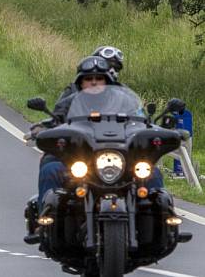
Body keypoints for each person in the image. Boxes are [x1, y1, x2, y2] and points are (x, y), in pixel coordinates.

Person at [36, 56, 164, 210]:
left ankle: (162, 226)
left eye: (99, 78)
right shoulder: (68, 104)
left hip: (122, 161)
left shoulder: (125, 100)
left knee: (153, 173)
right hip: (78, 162)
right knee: (49, 170)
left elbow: (141, 123)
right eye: (89, 78)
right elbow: (55, 123)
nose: (94, 82)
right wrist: (42, 129)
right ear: (81, 83)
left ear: (107, 81)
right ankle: (45, 224)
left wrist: (160, 131)